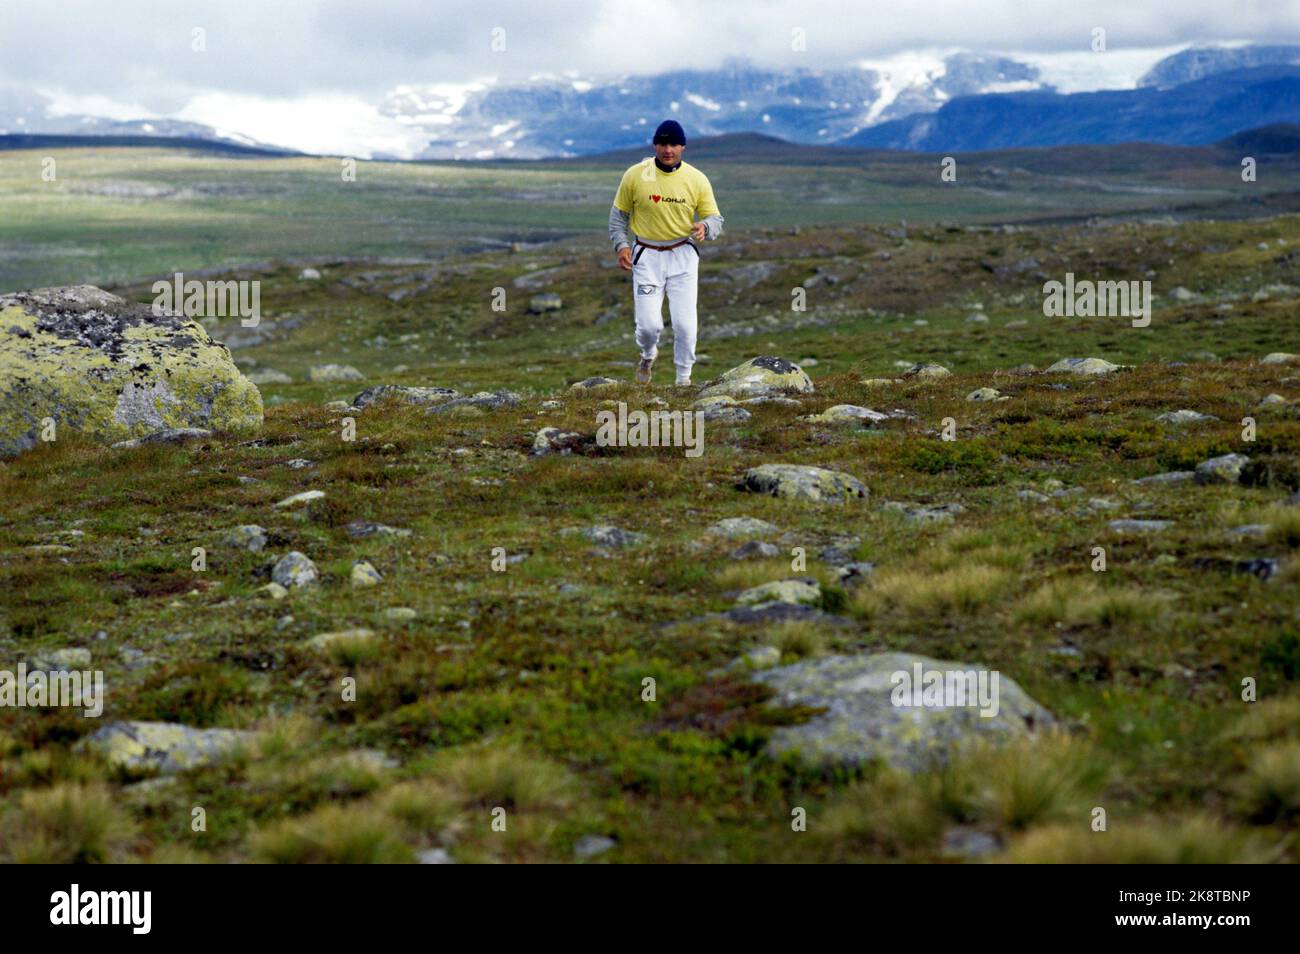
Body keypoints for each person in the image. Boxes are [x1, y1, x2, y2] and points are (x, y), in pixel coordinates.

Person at [608, 120, 724, 387]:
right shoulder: (635, 175)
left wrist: (705, 226)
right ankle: (648, 354)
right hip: (646, 256)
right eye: (662, 143)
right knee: (649, 326)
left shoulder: (696, 179)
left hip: (682, 255)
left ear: (683, 146)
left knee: (685, 325)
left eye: (673, 144)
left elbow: (715, 218)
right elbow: (618, 217)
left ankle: (683, 381)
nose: (667, 149)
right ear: (655, 145)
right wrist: (622, 245)